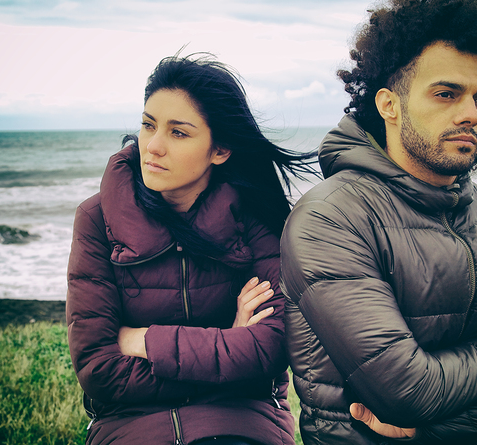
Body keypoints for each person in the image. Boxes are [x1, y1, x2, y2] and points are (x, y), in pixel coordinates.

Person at [280, 0, 477, 443]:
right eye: (447, 94)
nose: (471, 113)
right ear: (389, 106)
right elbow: (408, 393)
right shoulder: (330, 217)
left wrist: (431, 432)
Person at [67, 53, 314, 445]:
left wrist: (143, 340)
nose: (153, 147)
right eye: (148, 126)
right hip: (131, 426)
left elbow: (272, 346)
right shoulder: (98, 219)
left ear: (220, 149)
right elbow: (99, 370)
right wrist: (228, 342)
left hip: (241, 419)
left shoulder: (254, 217)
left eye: (178, 133)